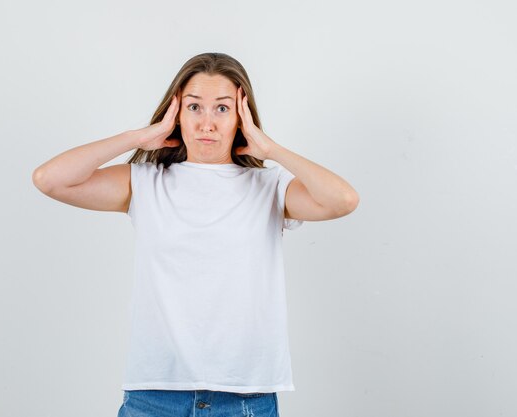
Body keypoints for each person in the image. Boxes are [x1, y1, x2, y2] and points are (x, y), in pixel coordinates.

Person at [32, 52, 359, 417]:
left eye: (222, 108)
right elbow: (50, 179)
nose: (207, 123)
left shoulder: (270, 186)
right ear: (176, 113)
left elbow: (343, 200)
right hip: (154, 396)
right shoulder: (145, 182)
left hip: (244, 398)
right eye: (194, 107)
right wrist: (139, 136)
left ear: (241, 116)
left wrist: (272, 150)